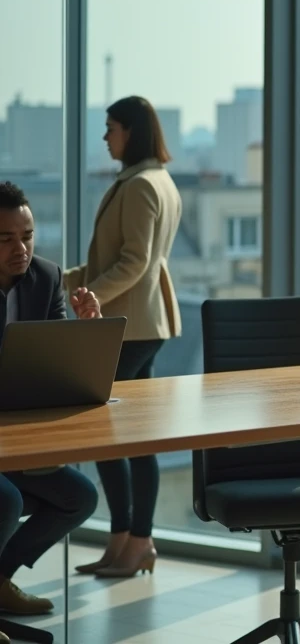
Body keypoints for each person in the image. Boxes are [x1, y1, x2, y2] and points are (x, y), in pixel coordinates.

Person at [67, 96, 182, 579]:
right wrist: (61, 278)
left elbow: (134, 263)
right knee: (132, 440)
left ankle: (136, 541)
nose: (105, 136)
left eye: (110, 127)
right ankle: (127, 542)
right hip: (144, 322)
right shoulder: (158, 181)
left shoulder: (138, 186)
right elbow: (126, 262)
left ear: (130, 131)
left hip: (129, 326)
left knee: (108, 435)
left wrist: (88, 293)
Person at [0, 182, 101, 635]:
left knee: (79, 496)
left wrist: (87, 331)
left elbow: (60, 364)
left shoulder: (47, 277)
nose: (20, 249)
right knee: (6, 500)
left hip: (20, 438)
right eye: (5, 239)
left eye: (27, 235)